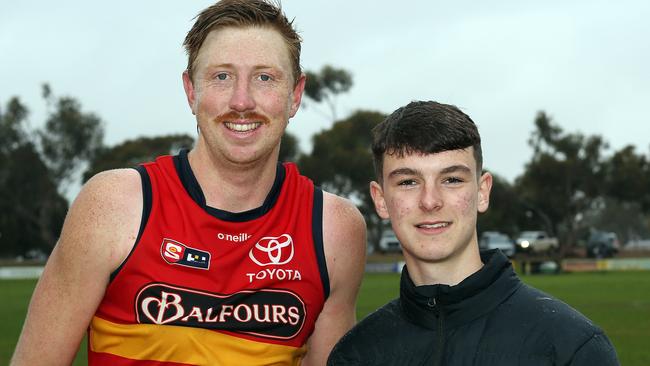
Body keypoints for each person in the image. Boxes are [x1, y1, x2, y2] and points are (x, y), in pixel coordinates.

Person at [11, 1, 366, 365]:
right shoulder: (114, 205)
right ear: (191, 91)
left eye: (265, 78)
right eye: (221, 76)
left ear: (295, 95)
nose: (241, 101)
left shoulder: (333, 228)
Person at [327, 101, 619, 365]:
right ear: (380, 199)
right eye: (408, 182)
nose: (430, 201)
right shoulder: (357, 355)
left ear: (482, 191)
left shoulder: (571, 348)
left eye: (452, 179)